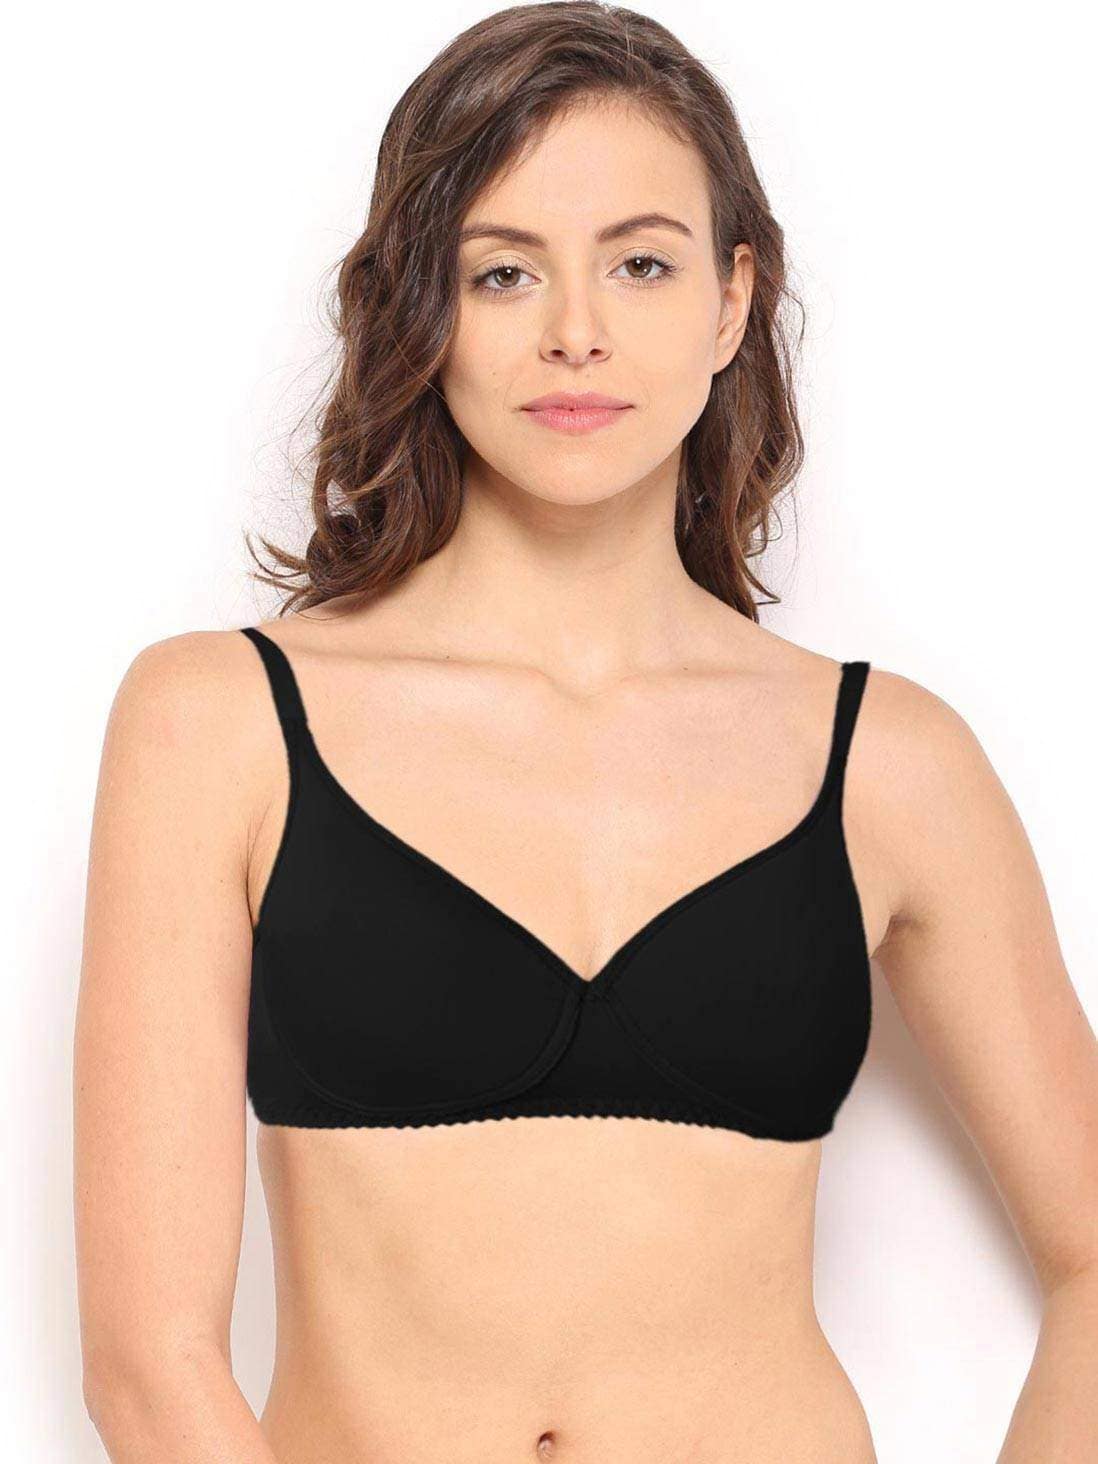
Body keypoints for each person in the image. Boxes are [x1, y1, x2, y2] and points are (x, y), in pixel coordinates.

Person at [73, 4, 1098, 1461]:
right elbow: (149, 1362)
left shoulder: (889, 760)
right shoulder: (219, 724)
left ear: (732, 302)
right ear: (423, 309)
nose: (575, 332)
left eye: (640, 262)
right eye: (502, 271)